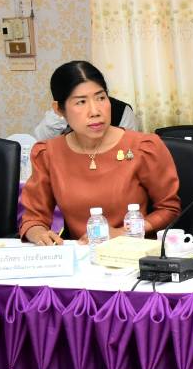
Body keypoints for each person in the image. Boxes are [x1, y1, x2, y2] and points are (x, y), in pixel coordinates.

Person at [20, 61, 178, 244]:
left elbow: (168, 209)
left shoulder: (144, 147)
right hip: (80, 253)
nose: (95, 111)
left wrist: (123, 233)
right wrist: (38, 233)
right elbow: (34, 218)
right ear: (59, 109)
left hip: (134, 251)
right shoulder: (48, 154)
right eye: (81, 102)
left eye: (101, 98)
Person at [31, 92, 136, 141]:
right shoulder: (61, 112)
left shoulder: (121, 110)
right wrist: (62, 116)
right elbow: (40, 141)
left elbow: (130, 149)